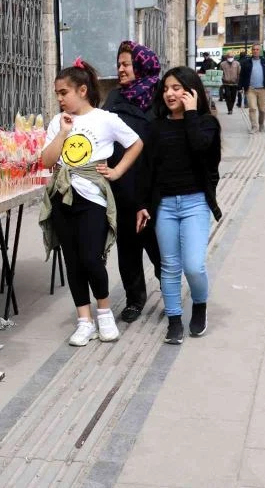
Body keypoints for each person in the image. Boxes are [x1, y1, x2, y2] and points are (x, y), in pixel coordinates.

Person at [39, 58, 144, 346]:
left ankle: (105, 313)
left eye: (64, 92)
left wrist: (117, 171)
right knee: (72, 261)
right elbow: (47, 161)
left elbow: (136, 142)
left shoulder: (105, 119)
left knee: (91, 258)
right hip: (62, 197)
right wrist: (62, 132)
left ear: (82, 90)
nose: (60, 99)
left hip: (93, 200)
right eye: (57, 94)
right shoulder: (56, 122)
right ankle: (84, 320)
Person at [136, 66, 222, 345]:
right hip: (165, 207)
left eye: (177, 88)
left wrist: (192, 112)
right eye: (166, 88)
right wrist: (143, 204)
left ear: (191, 90)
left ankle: (199, 305)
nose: (170, 93)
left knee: (194, 265)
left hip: (195, 203)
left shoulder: (207, 124)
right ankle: (174, 320)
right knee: (169, 267)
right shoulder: (157, 126)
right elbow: (147, 170)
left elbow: (200, 148)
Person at [101, 41, 161, 324]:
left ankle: (170, 292)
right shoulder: (114, 98)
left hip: (153, 184)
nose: (121, 69)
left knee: (160, 246)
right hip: (123, 184)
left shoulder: (159, 97)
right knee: (128, 247)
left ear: (141, 66)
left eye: (126, 64)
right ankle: (135, 298)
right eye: (120, 63)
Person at [239, 43, 265, 133]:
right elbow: (242, 76)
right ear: (251, 51)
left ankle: (261, 124)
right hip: (250, 89)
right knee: (252, 108)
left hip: (263, 89)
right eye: (254, 49)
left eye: (257, 49)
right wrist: (240, 87)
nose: (255, 51)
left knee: (262, 109)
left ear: (260, 51)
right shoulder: (246, 62)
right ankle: (254, 126)